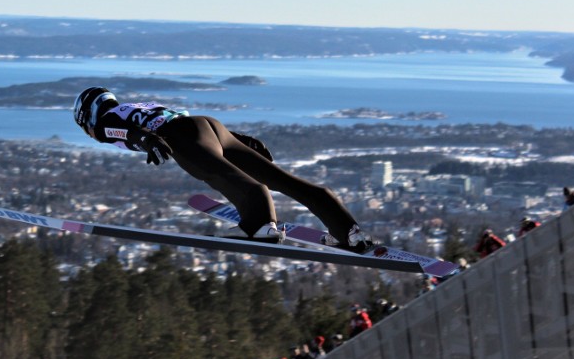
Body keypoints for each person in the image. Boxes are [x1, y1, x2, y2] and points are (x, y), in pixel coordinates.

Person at [72, 87, 372, 249]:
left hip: (181, 137)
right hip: (209, 126)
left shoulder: (104, 122)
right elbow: (177, 118)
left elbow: (122, 133)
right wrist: (240, 140)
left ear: (87, 114)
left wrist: (148, 141)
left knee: (222, 176)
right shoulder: (136, 105)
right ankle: (346, 229)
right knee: (282, 179)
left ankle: (259, 226)